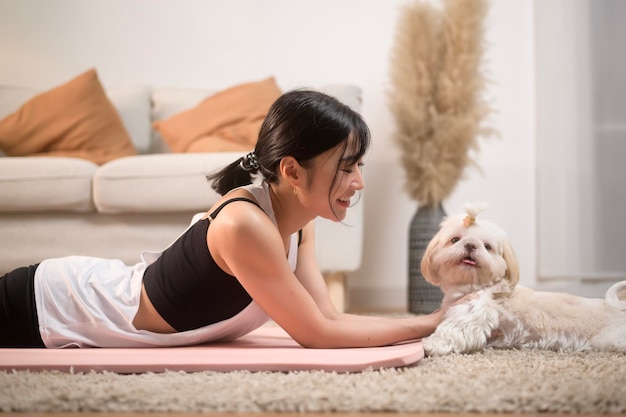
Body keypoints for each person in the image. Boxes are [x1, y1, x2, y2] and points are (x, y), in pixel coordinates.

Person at [1, 89, 448, 348]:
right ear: (293, 171)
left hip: (79, 292)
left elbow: (327, 316)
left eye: (359, 167)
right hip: (48, 304)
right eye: (347, 167)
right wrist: (433, 323)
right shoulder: (245, 225)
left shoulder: (298, 222)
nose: (359, 183)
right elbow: (318, 334)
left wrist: (432, 322)